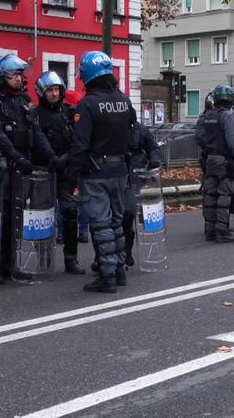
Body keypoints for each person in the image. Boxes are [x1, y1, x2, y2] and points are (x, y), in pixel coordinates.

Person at [0, 54, 59, 281]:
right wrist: (14, 157)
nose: (19, 79)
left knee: (17, 216)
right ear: (1, 76)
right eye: (14, 75)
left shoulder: (23, 100)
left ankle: (10, 265)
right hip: (1, 167)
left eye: (20, 75)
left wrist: (51, 156)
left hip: (21, 167)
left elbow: (36, 131)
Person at [68, 51, 136, 293]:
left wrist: (72, 174)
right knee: (116, 222)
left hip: (96, 171)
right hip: (120, 170)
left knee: (101, 224)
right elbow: (134, 131)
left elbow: (80, 144)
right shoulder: (124, 100)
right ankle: (119, 270)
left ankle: (107, 276)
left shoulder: (87, 104)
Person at [33, 71, 83, 275]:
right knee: (42, 216)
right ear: (41, 92)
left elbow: (79, 139)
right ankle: (43, 259)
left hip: (66, 170)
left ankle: (71, 259)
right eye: (50, 90)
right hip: (43, 170)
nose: (54, 94)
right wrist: (53, 159)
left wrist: (68, 159)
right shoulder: (35, 114)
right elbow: (37, 139)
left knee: (71, 212)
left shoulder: (69, 112)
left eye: (56, 90)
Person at [195, 84, 234, 242]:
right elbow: (232, 140)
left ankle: (209, 229)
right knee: (224, 194)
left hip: (210, 159)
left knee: (210, 194)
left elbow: (200, 137)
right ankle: (222, 230)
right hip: (224, 160)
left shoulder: (207, 116)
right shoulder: (227, 116)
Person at [121, 121, 162, 266]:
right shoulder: (110, 125)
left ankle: (126, 251)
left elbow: (153, 148)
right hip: (115, 175)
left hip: (134, 177)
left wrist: (154, 161)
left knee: (128, 215)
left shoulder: (139, 129)